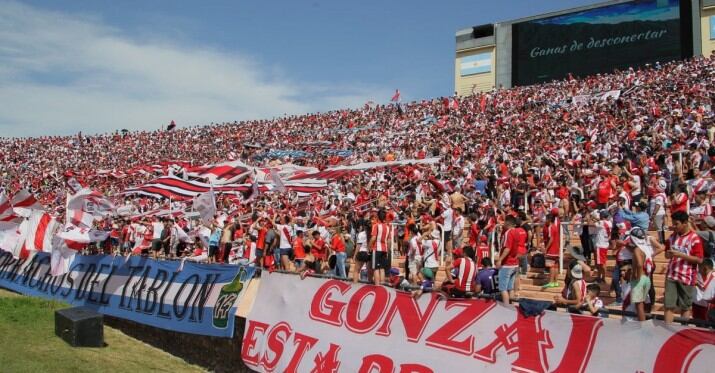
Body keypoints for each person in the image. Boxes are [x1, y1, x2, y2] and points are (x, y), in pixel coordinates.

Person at [664, 211, 704, 324]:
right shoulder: (672, 237)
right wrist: (669, 254)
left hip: (687, 277)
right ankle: (666, 332)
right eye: (673, 223)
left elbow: (699, 260)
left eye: (676, 224)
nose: (674, 226)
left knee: (685, 306)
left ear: (685, 223)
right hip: (672, 275)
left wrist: (680, 255)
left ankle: (682, 331)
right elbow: (667, 254)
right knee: (668, 305)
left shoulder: (694, 238)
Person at [495, 216, 520, 304]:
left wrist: (500, 260)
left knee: (503, 289)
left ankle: (506, 308)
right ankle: (512, 306)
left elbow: (507, 248)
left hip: (507, 264)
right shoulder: (517, 232)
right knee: (510, 288)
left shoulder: (508, 233)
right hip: (515, 263)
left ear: (508, 223)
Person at [369, 209, 391, 285]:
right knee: (382, 269)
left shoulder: (376, 226)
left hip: (376, 249)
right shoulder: (388, 227)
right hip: (384, 249)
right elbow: (389, 241)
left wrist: (369, 246)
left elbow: (373, 238)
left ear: (378, 216)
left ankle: (377, 285)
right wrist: (388, 250)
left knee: (376, 268)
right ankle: (382, 285)